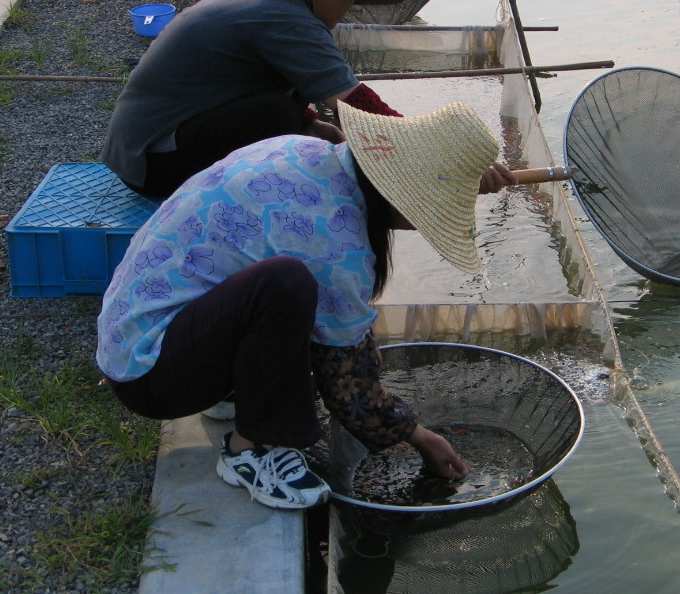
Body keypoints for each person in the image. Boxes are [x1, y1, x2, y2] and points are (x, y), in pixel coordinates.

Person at [97, 100, 503, 509]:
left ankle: (231, 391)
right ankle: (252, 449)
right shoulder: (338, 242)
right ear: (400, 193)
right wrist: (419, 436)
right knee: (285, 285)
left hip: (135, 329)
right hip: (152, 377)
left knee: (285, 290)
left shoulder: (301, 151)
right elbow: (347, 386)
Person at [104, 0, 516, 200]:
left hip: (146, 150)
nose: (351, 8)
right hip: (153, 163)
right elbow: (356, 103)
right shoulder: (285, 17)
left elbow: (265, 89)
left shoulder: (269, 3)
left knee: (291, 116)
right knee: (275, 112)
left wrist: (319, 129)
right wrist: (441, 156)